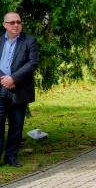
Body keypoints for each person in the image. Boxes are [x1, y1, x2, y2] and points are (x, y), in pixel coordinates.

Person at [0, 12, 39, 168]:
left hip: (19, 89)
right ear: (5, 25)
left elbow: (33, 63)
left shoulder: (29, 41)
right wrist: (4, 79)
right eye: (12, 22)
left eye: (19, 22)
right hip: (0, 87)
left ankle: (11, 157)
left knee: (16, 125)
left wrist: (13, 78)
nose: (16, 25)